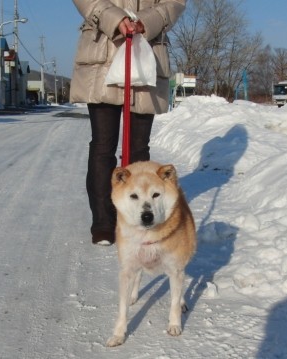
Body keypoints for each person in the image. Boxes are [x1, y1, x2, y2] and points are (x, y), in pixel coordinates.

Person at [70, 0, 186, 245]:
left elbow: (175, 2)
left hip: (147, 53)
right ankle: (103, 221)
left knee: (139, 149)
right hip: (103, 51)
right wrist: (114, 18)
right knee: (103, 146)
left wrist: (146, 21)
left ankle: (137, 217)